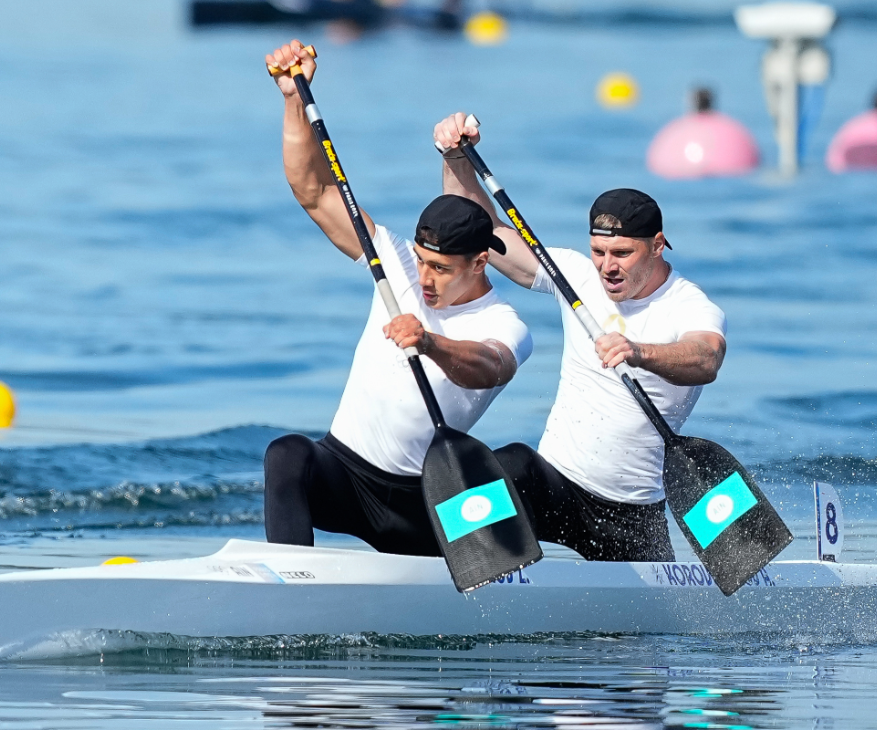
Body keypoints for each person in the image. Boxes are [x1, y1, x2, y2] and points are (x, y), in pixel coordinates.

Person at [262, 42, 533, 556]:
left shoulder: (505, 323)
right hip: (344, 473)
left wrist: (430, 343)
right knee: (287, 454)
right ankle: (292, 584)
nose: (424, 278)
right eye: (422, 261)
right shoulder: (395, 262)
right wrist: (293, 99)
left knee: (517, 465)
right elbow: (314, 191)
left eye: (441, 269)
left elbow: (489, 366)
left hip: (424, 501)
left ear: (479, 262)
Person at [433, 112, 729, 562]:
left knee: (639, 634)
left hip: (631, 516)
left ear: (657, 244)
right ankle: (446, 561)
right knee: (510, 463)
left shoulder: (690, 305)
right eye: (599, 251)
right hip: (559, 487)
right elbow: (485, 232)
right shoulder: (574, 275)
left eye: (622, 253)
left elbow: (706, 358)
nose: (607, 266)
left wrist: (638, 351)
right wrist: (455, 158)